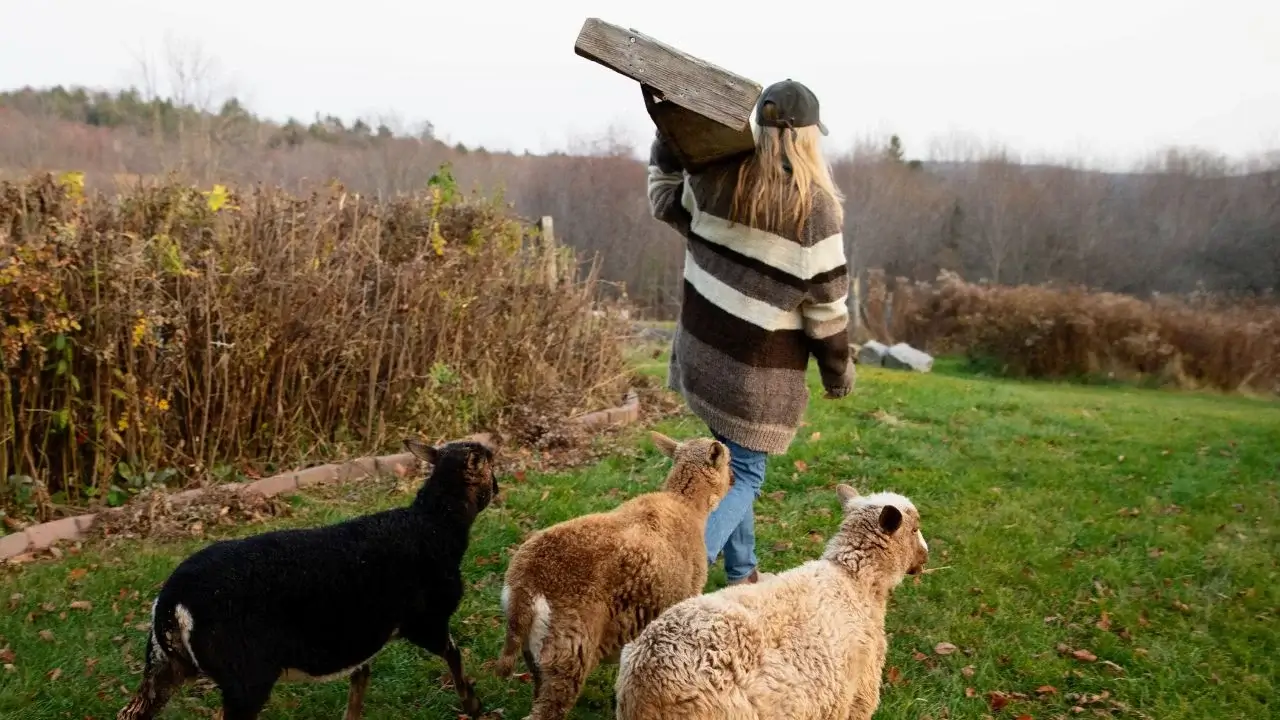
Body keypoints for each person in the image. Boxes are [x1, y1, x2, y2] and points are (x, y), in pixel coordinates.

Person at [645, 79, 855, 586]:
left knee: (732, 469)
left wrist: (666, 140)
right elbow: (827, 308)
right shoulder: (814, 210)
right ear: (809, 139)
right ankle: (675, 574)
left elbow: (663, 200)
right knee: (747, 476)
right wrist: (838, 373)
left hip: (702, 357)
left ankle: (742, 573)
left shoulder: (717, 176)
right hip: (752, 380)